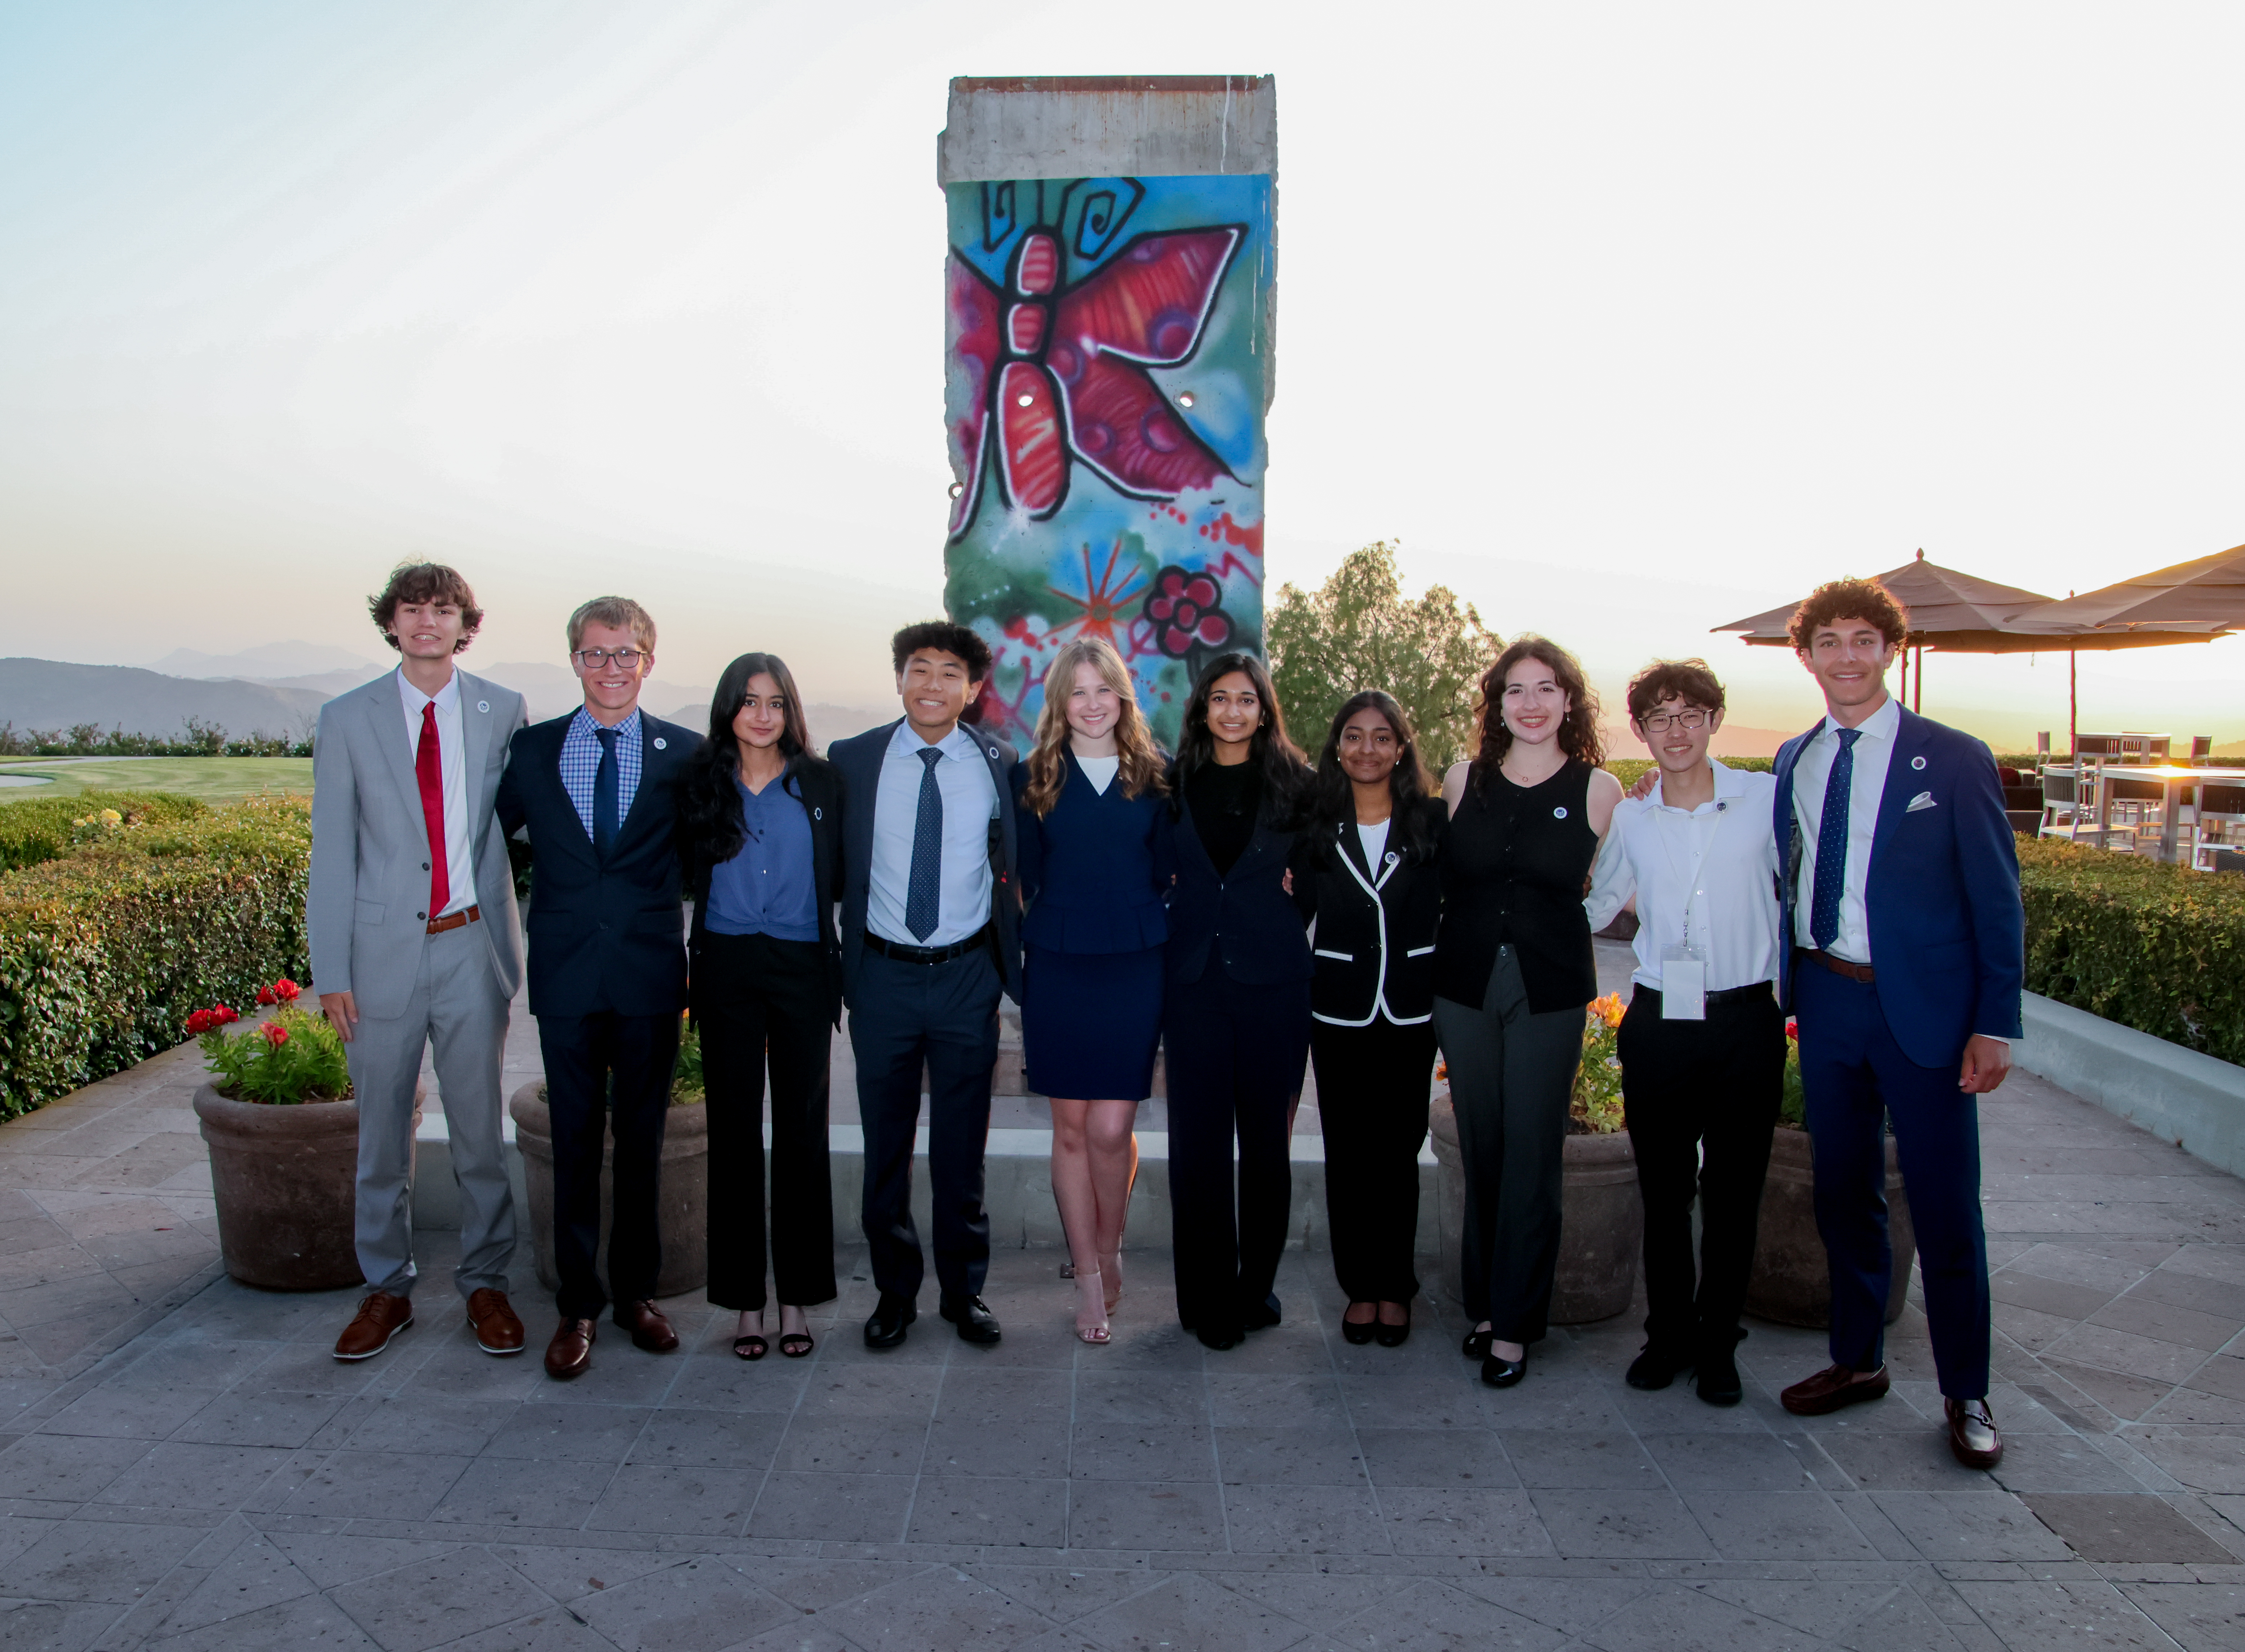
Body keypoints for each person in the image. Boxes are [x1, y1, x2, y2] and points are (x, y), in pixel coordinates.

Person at [1771, 578, 2022, 1470]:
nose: (1847, 657)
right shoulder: (1793, 761)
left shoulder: (1951, 758)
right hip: (1829, 1003)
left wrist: (1995, 1023)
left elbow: (1998, 899)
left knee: (1948, 1208)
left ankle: (1968, 1392)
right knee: (1843, 1196)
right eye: (1829, 642)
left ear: (1890, 651)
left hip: (1925, 1014)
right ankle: (1857, 1360)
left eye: (1863, 641)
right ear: (1807, 657)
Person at [310, 563, 530, 1363]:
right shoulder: (348, 718)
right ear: (392, 622)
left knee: (478, 1129)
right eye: (413, 609)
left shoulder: (502, 710)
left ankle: (485, 1283)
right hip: (378, 960)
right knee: (382, 1135)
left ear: (464, 622)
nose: (428, 621)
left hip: (474, 946)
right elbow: (332, 851)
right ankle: (387, 1288)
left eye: (443, 609)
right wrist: (330, 969)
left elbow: (528, 829)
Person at [495, 596, 697, 1381]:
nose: (611, 668)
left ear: (649, 660)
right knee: (575, 1142)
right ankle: (577, 1306)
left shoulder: (683, 753)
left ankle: (637, 1296)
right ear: (574, 660)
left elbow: (711, 856)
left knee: (644, 1142)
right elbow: (486, 841)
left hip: (649, 977)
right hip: (568, 977)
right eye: (595, 654)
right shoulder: (532, 752)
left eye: (625, 654)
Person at [1584, 660, 1785, 1406]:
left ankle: (1719, 1340)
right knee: (1665, 1191)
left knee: (1735, 1193)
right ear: (1639, 730)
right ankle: (1667, 1334)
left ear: (1714, 720)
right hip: (1662, 1019)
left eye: (1690, 714)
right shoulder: (1634, 815)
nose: (1676, 731)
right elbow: (1597, 904)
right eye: (1660, 718)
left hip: (1744, 1020)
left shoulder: (1763, 800)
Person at [829, 621, 1022, 1349]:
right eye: (920, 669)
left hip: (967, 978)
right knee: (885, 1149)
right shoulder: (852, 761)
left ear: (973, 691)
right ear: (900, 678)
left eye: (950, 673)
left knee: (960, 1152)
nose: (933, 684)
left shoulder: (1002, 764)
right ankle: (894, 1293)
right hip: (882, 977)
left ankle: (964, 1292)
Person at [1435, 637, 1623, 1387]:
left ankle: (1515, 1326)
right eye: (1517, 690)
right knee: (1482, 1145)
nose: (1533, 703)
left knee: (1533, 1151)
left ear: (1569, 701)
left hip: (1550, 989)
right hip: (1465, 985)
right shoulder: (1461, 781)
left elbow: (1622, 889)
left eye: (1547, 688)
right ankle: (1486, 1304)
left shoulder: (1600, 789)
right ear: (1498, 703)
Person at [679, 653, 842, 1362]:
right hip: (727, 966)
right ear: (729, 710)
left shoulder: (822, 784)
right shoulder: (701, 783)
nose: (763, 714)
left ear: (791, 710)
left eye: (776, 701)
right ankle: (745, 1303)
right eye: (749, 701)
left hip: (804, 966)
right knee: (736, 1135)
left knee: (804, 1134)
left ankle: (797, 1298)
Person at [1011, 638, 1172, 1344]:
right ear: (1060, 703)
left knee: (1114, 1129)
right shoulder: (1033, 778)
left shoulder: (1159, 779)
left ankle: (1111, 1252)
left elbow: (1181, 872)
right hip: (1059, 965)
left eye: (1104, 688)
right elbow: (1020, 880)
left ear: (1123, 696)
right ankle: (1088, 1280)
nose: (1093, 702)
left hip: (1136, 964)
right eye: (1078, 691)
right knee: (1072, 1129)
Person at [1164, 652, 1314, 1351]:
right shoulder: (1171, 783)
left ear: (1264, 708)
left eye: (1245, 699)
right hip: (1192, 986)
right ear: (1202, 708)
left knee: (1265, 1149)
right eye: (1219, 698)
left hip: (1274, 989)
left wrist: (1298, 895)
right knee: (1196, 1150)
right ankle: (1206, 1297)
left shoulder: (1299, 786)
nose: (1231, 711)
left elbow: (1323, 876)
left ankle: (1256, 1287)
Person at [1289, 691, 1447, 1348]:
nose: (1367, 749)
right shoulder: (1315, 821)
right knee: (1349, 1152)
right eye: (1353, 736)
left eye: (1382, 738)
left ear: (1402, 749)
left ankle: (1396, 1286)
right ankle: (1361, 1287)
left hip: (1410, 1009)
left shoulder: (1432, 820)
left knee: (1399, 1152)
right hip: (1339, 1006)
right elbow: (1291, 904)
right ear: (1337, 747)